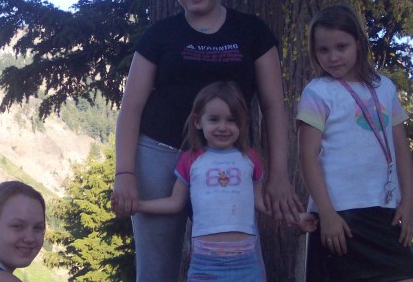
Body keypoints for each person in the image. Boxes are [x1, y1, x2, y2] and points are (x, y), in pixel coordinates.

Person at [111, 0, 304, 281]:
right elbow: (131, 109)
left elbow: (274, 107)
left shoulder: (253, 32)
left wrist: (277, 175)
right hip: (160, 155)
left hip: (230, 160)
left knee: (241, 260)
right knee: (156, 270)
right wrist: (124, 173)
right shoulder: (159, 35)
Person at [114, 81, 317, 281]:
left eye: (231, 120)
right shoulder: (191, 160)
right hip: (205, 265)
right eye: (214, 119)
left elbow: (261, 202)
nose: (223, 127)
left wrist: (295, 217)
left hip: (246, 263)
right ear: (198, 121)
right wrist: (138, 205)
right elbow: (175, 203)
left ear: (242, 122)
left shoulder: (249, 158)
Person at [297, 3, 413, 282]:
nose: (333, 57)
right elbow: (307, 156)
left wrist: (409, 201)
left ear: (359, 43)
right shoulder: (317, 92)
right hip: (339, 216)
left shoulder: (384, 87)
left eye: (341, 46)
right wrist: (326, 213)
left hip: (387, 211)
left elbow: (400, 149)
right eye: (323, 50)